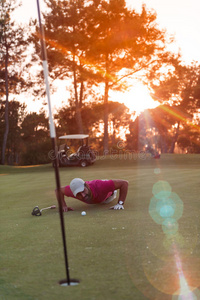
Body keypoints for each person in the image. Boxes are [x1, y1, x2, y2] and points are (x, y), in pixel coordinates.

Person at [55, 178, 128, 212]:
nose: (83, 195)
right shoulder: (72, 191)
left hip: (108, 196)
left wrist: (120, 203)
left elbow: (124, 183)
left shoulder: (100, 185)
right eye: (79, 194)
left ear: (86, 185)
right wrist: (63, 205)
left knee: (107, 186)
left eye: (83, 191)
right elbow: (58, 190)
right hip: (96, 195)